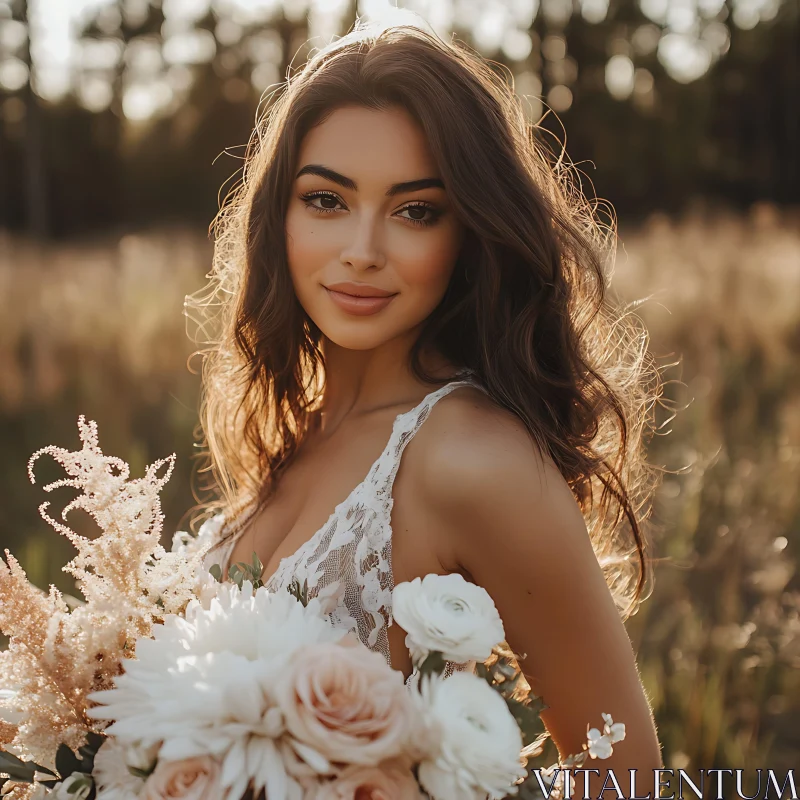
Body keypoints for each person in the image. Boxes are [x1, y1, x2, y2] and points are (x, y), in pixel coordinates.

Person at [188, 13, 665, 795]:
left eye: (416, 211)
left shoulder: (471, 458)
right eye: (326, 200)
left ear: (470, 232)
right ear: (279, 214)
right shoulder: (296, 430)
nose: (363, 249)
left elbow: (625, 774)